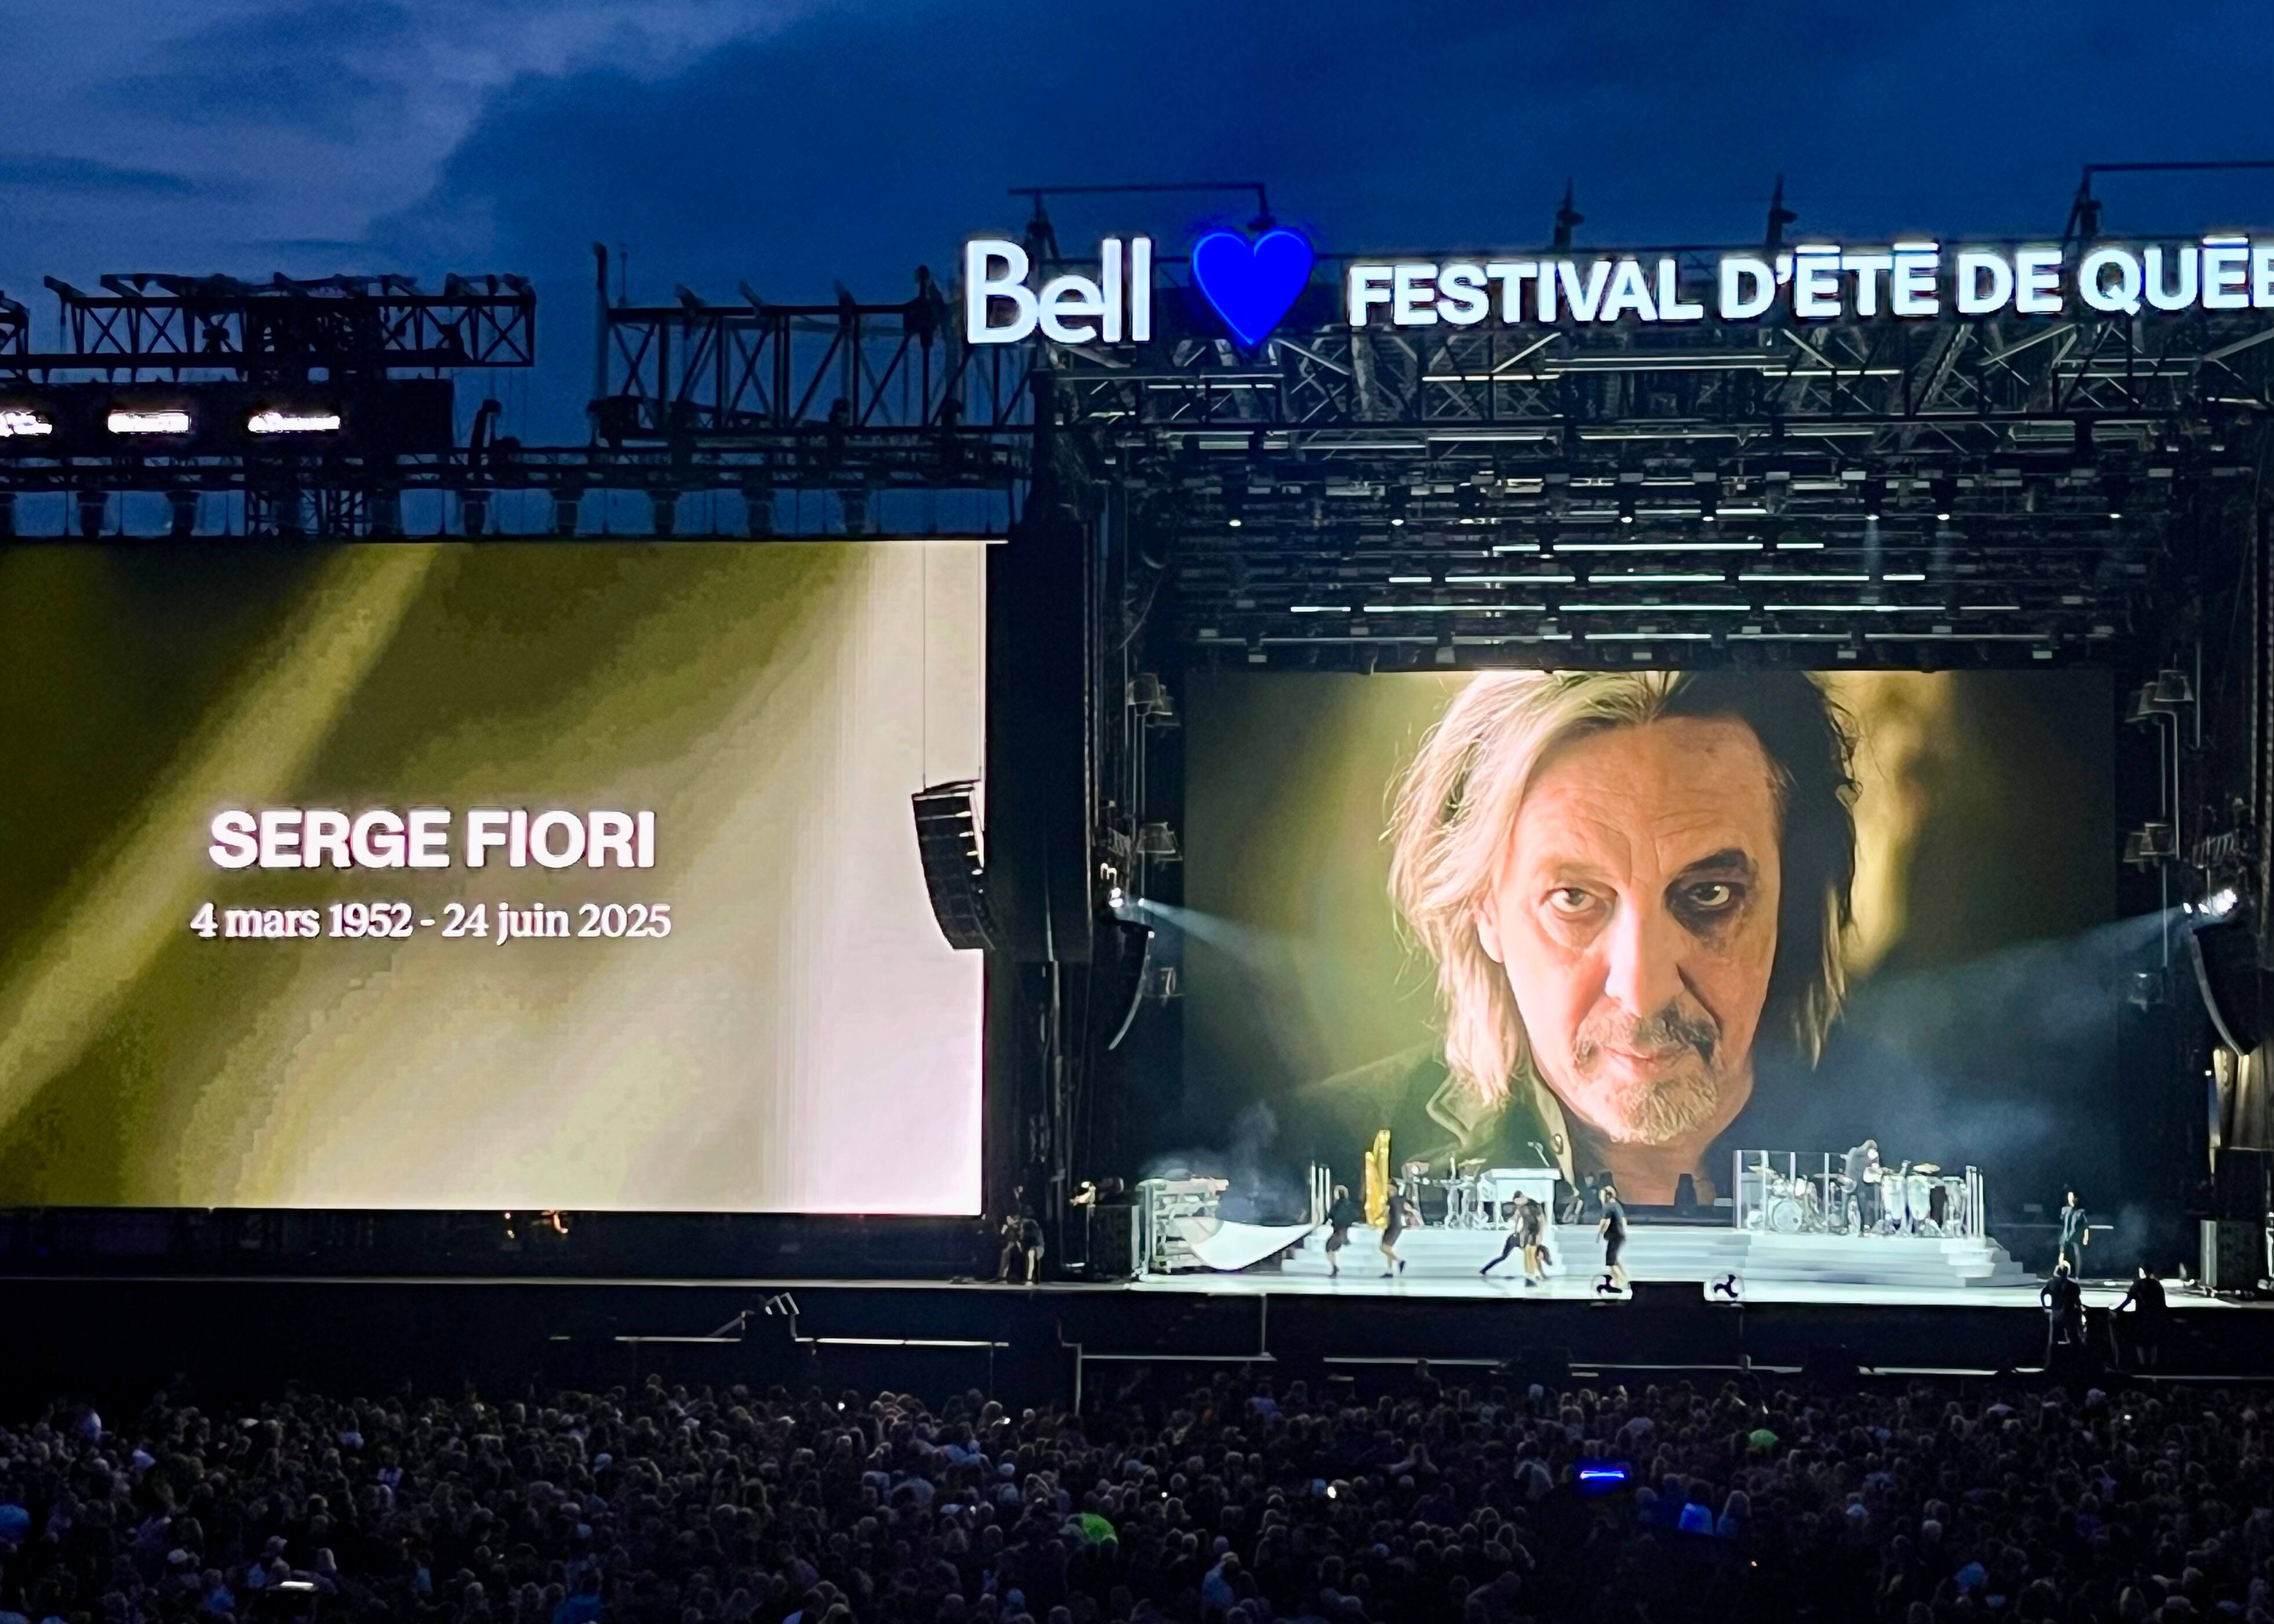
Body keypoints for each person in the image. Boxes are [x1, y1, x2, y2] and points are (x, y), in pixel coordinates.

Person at [1300, 670, 1859, 1205]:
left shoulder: (1919, 1132)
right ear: (1485, 908)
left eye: (1710, 894)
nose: (1642, 992)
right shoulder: (1306, 1155)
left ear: (1794, 899)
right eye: (1574, 899)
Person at [1480, 1190, 1543, 1285]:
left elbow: (1540, 1221)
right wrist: (1519, 1234)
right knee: (1504, 1256)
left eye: (1518, 1202)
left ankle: (1538, 1274)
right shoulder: (1521, 1210)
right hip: (1517, 1237)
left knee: (1534, 1253)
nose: (1518, 1205)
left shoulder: (1534, 1207)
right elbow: (1518, 1224)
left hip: (1528, 1234)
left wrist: (1539, 1235)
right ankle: (1485, 1269)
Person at [2115, 1265, 2168, 1370]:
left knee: (2141, 1341)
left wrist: (2118, 1310)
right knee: (2154, 1341)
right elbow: (2163, 1303)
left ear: (2142, 1272)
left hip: (2141, 1316)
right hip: (2154, 1316)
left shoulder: (2138, 1285)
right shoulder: (2157, 1285)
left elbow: (2129, 1299)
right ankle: (2154, 1366)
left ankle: (2143, 1365)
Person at [2040, 1259, 2084, 1365]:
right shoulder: (2074, 1286)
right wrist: (2081, 1310)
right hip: (2069, 1313)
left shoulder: (2052, 1283)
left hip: (2056, 1313)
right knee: (2073, 1336)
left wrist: (2047, 1306)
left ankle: (2052, 1359)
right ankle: (2076, 1358)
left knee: (2055, 1337)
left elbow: (2043, 1294)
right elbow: (2077, 1302)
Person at [997, 1187, 1044, 1284]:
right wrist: (1008, 1228)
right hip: (1022, 1246)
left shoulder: (1032, 1223)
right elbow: (1005, 1234)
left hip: (1036, 1247)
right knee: (1006, 1252)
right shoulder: (1014, 1224)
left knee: (1031, 1253)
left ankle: (1030, 1278)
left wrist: (1020, 1231)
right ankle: (1002, 1276)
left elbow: (1035, 1239)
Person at [1597, 1180, 1629, 1295]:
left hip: (1614, 1236)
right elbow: (1624, 1220)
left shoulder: (1609, 1206)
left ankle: (1623, 1281)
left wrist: (1600, 1232)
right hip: (1620, 1235)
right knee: (1615, 1260)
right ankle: (1620, 1281)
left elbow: (1605, 1222)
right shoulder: (1617, 1205)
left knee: (1611, 1262)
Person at [1323, 1183, 1362, 1278]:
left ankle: (1335, 1267)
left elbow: (1330, 1216)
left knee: (1329, 1248)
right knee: (1331, 1249)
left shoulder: (1336, 1206)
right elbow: (1355, 1216)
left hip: (1338, 1232)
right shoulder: (1350, 1205)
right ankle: (1334, 1268)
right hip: (1344, 1232)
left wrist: (1328, 1222)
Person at [1381, 1190, 1419, 1276]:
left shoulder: (1391, 1200)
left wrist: (1378, 1217)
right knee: (1388, 1249)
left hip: (1393, 1226)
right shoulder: (1399, 1201)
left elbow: (1386, 1211)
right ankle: (1390, 1271)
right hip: (1395, 1226)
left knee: (1384, 1248)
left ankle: (1399, 1261)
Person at [2057, 1189, 2089, 1278]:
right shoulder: (2065, 1210)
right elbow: (2062, 1223)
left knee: (2077, 1254)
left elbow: (2085, 1226)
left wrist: (2086, 1238)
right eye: (2069, 1197)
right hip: (2065, 1235)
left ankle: (2078, 1275)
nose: (2070, 1199)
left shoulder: (2080, 1212)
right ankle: (2062, 1270)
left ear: (2076, 1199)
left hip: (2076, 1235)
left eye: (2072, 1197)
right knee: (2062, 1253)